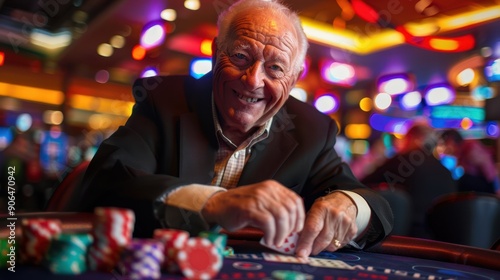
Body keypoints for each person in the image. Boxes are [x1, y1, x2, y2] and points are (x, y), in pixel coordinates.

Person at [77, 0, 393, 258]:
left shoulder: (313, 129)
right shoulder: (163, 99)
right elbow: (107, 182)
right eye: (241, 56)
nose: (254, 80)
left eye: (275, 68)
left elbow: (374, 206)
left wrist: (351, 206)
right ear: (216, 53)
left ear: (294, 80)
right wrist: (214, 203)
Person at [362, 123, 457, 238]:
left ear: (414, 139)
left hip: (404, 238)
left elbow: (363, 184)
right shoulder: (446, 172)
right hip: (439, 240)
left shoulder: (403, 161)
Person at [438, 128, 499, 195]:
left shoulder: (470, 149)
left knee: (463, 181)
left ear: (451, 140)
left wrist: (496, 191)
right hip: (481, 187)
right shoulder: (462, 152)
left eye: (446, 143)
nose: (446, 147)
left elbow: (488, 170)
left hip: (486, 189)